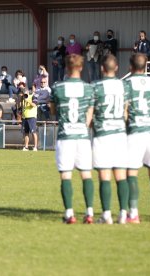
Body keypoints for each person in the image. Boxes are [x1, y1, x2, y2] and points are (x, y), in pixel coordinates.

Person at [49, 54, 95, 224]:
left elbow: (53, 111)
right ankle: (89, 212)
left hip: (65, 136)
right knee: (86, 174)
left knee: (66, 176)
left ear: (66, 68)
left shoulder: (58, 88)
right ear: (81, 68)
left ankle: (69, 213)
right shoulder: (89, 88)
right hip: (82, 137)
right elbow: (90, 115)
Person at [91, 54, 129, 224]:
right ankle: (122, 214)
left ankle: (106, 214)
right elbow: (126, 113)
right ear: (117, 68)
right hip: (120, 134)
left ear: (101, 68)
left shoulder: (96, 87)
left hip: (103, 135)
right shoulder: (124, 86)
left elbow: (90, 115)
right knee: (121, 175)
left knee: (104, 175)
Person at [125, 53, 150, 224]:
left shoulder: (126, 84)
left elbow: (124, 110)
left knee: (131, 172)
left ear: (131, 67)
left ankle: (133, 213)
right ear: (146, 66)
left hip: (135, 132)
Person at [20, 86, 38, 151]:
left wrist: (28, 101)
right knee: (26, 132)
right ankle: (26, 147)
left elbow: (34, 105)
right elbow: (22, 107)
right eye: (23, 93)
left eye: (25, 93)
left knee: (33, 132)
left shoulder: (33, 96)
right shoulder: (22, 98)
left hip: (32, 117)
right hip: (25, 117)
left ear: (28, 92)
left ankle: (35, 147)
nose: (25, 94)